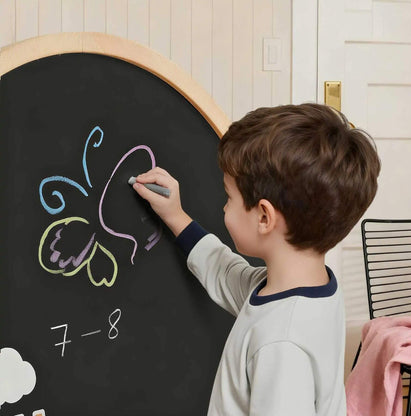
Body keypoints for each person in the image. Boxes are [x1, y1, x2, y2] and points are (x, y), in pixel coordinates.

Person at [132, 103, 381, 416]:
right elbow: (226, 272)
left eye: (229, 198)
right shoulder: (310, 287)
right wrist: (176, 216)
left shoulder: (280, 344)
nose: (223, 208)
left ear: (264, 217)